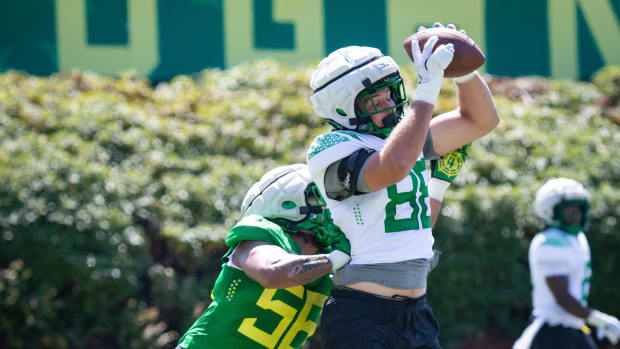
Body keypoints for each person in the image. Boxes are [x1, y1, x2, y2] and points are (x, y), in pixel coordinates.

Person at [306, 22, 499, 348]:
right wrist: (426, 90)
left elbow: (480, 121)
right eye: (374, 100)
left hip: (417, 312)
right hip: (362, 315)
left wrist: (461, 72)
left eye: (391, 91)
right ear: (343, 108)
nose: (389, 103)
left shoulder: (405, 139)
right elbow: (392, 166)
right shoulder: (329, 149)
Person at [175, 164, 351, 349]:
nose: (329, 205)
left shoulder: (330, 255)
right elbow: (272, 272)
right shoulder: (260, 234)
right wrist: (336, 258)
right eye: (317, 197)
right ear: (287, 202)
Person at [513, 178, 620, 349]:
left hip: (573, 327)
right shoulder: (549, 240)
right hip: (552, 330)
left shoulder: (577, 239)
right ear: (550, 211)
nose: (576, 215)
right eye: (570, 210)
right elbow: (562, 297)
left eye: (578, 209)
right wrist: (600, 320)